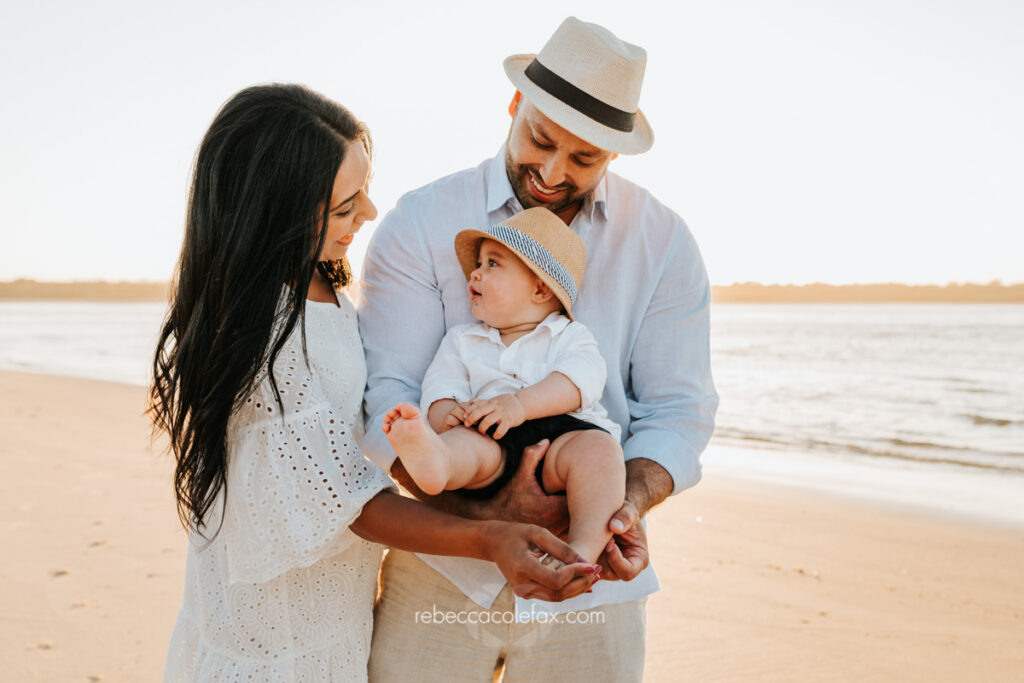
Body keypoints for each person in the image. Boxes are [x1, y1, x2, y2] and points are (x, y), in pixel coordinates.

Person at [149, 84, 595, 682]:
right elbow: (351, 503)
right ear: (274, 211)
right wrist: (490, 538)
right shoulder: (261, 334)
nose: (368, 213)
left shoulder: (321, 283)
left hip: (334, 621)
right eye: (344, 206)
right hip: (272, 644)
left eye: (362, 192)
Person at [359, 16, 718, 682]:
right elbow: (389, 395)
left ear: (616, 153)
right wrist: (488, 509)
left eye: (584, 159)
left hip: (595, 586)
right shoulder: (421, 221)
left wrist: (621, 507)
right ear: (515, 104)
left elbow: (679, 412)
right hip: (441, 571)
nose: (552, 173)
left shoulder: (662, 243)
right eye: (541, 140)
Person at [383, 206, 625, 566]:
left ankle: (582, 551)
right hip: (490, 435)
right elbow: (441, 386)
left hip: (563, 436)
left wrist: (520, 405)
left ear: (541, 289)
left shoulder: (569, 335)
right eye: (477, 264)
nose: (475, 274)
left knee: (600, 453)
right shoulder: (463, 339)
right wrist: (450, 414)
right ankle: (436, 461)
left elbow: (581, 379)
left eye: (492, 264)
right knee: (465, 443)